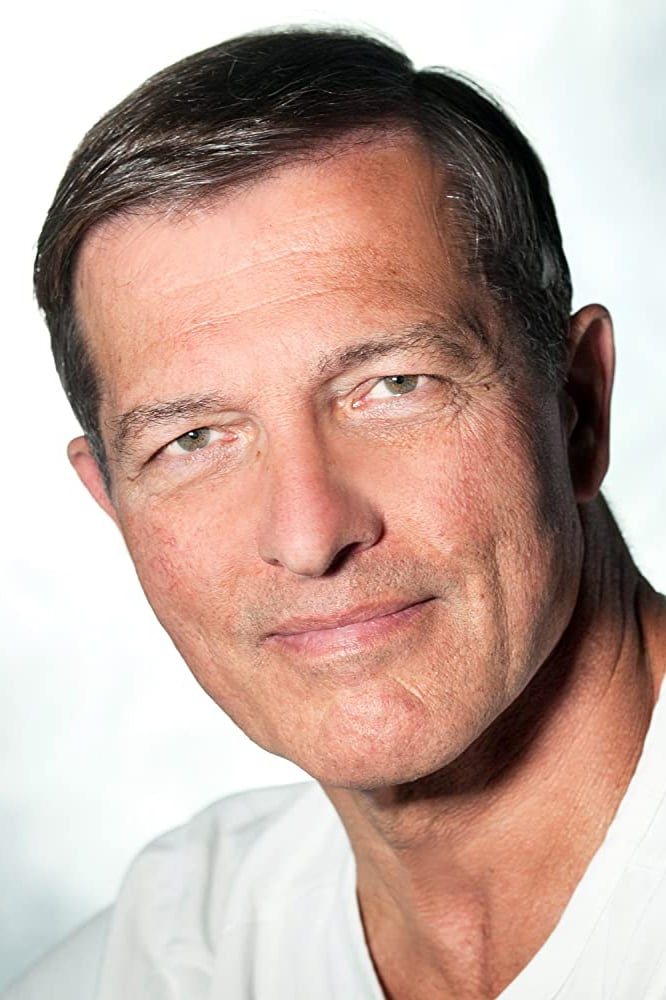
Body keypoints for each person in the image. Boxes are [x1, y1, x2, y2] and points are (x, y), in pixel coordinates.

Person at [6, 25, 666, 1000]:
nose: (311, 536)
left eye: (394, 385)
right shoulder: (163, 962)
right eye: (193, 439)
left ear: (577, 407)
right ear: (112, 506)